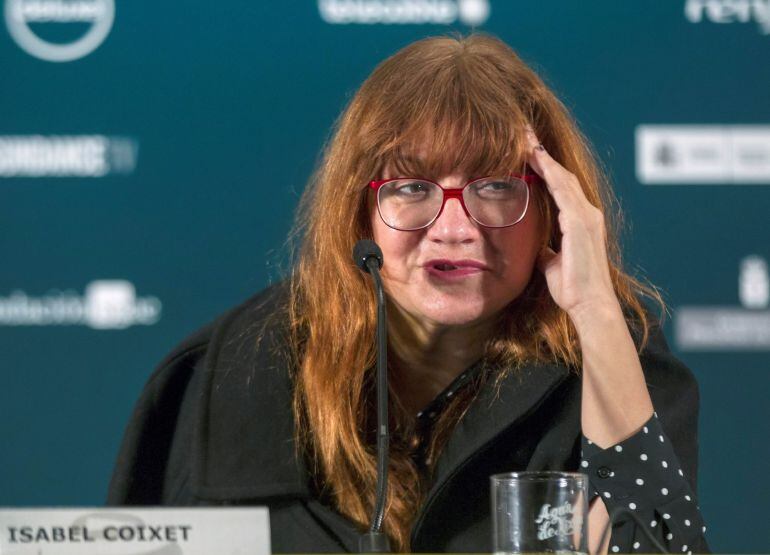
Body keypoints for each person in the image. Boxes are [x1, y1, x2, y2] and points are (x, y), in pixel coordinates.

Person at [108, 33, 708, 553]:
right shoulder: (229, 374)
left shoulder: (620, 362)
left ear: (554, 210)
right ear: (359, 211)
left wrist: (596, 310)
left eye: (496, 186)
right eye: (412, 186)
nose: (455, 228)